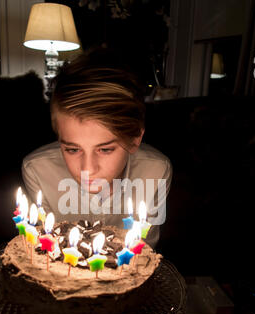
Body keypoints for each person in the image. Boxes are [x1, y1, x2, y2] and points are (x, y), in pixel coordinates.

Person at [22, 47, 172, 249]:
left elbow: (143, 252)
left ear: (135, 139)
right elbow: (48, 251)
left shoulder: (156, 171)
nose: (88, 169)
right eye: (73, 150)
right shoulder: (37, 170)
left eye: (105, 149)